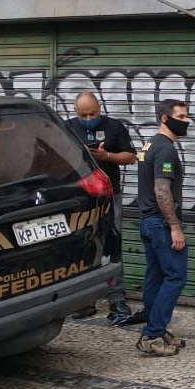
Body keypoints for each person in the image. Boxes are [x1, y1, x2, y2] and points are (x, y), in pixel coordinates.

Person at [65, 91, 138, 322]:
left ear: (100, 109)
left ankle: (117, 298)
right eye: (83, 114)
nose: (88, 118)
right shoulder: (67, 128)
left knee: (112, 245)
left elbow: (130, 157)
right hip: (80, 199)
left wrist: (106, 155)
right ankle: (84, 300)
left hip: (109, 196)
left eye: (92, 113)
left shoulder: (114, 126)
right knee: (82, 247)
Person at [135, 99, 190, 356]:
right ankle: (152, 334)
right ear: (165, 119)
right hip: (160, 223)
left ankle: (156, 328)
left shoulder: (150, 145)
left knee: (155, 277)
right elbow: (161, 190)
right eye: (181, 116)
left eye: (187, 115)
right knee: (175, 276)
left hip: (147, 221)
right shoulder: (165, 149)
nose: (186, 120)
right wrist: (175, 227)